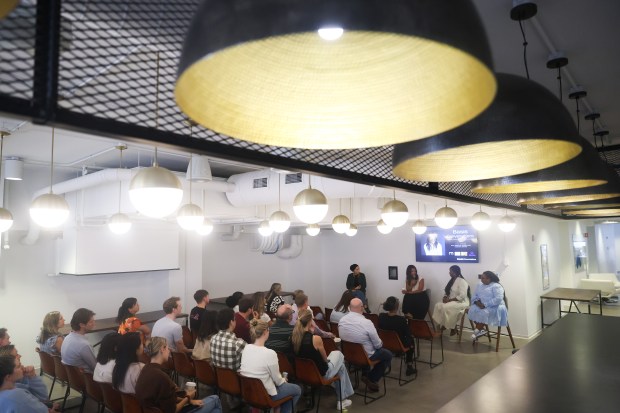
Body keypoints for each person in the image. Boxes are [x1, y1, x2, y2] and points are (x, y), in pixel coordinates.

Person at [135, 337, 223, 413]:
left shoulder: (145, 369)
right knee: (215, 399)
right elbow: (173, 410)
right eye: (167, 348)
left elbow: (165, 398)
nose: (169, 351)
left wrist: (190, 401)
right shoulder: (161, 376)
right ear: (162, 349)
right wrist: (188, 398)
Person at [292, 309, 354, 410]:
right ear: (310, 321)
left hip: (303, 373)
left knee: (341, 366)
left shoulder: (293, 337)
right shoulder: (316, 339)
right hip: (321, 374)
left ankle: (342, 400)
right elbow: (325, 360)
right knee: (338, 354)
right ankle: (341, 400)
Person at [240, 319, 301, 413]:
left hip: (249, 393)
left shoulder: (246, 348)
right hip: (266, 395)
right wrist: (283, 380)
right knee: (297, 389)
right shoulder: (270, 353)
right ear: (265, 332)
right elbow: (278, 382)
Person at [338, 298, 392, 392]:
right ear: (362, 308)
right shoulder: (367, 323)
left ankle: (365, 374)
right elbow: (378, 345)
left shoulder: (342, 320)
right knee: (387, 354)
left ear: (349, 308)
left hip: (349, 355)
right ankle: (372, 378)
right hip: (365, 355)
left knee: (363, 347)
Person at [209, 309, 246, 410]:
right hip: (237, 384)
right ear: (231, 322)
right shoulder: (238, 343)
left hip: (220, 381)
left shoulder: (213, 338)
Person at [378, 297, 417, 376]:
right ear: (397, 306)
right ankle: (409, 366)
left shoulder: (381, 316)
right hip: (399, 346)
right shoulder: (401, 320)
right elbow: (408, 333)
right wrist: (410, 320)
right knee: (411, 341)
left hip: (384, 344)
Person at [468, 271, 508, 340]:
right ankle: (481, 329)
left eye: (483, 278)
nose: (481, 279)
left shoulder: (496, 286)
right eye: (481, 278)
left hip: (496, 306)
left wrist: (485, 305)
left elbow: (498, 299)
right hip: (481, 305)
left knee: (483, 312)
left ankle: (476, 331)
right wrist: (477, 303)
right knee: (472, 310)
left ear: (489, 279)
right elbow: (475, 295)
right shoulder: (479, 285)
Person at [433, 265, 470, 336]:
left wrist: (449, 300)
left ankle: (443, 328)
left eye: (450, 271)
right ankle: (448, 327)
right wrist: (445, 297)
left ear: (455, 272)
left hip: (461, 302)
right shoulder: (451, 281)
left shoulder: (462, 281)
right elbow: (447, 291)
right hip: (451, 300)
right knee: (438, 305)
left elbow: (462, 296)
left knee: (445, 307)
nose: (449, 273)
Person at [61, 308, 97, 372]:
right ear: (81, 325)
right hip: (87, 379)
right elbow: (95, 367)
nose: (94, 323)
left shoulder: (68, 337)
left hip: (72, 377)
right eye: (91, 322)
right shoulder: (84, 345)